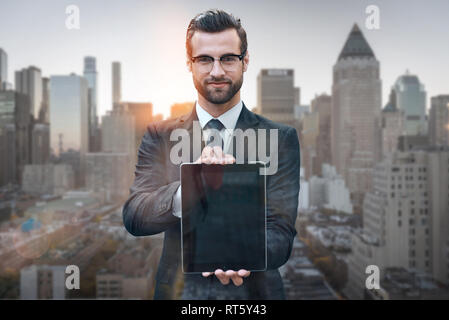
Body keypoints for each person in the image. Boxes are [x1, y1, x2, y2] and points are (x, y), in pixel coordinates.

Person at [122, 9, 300, 300]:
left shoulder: (281, 139)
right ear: (189, 64)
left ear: (245, 61)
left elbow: (281, 231)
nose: (217, 71)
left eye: (228, 58)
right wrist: (190, 188)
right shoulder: (159, 135)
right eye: (205, 59)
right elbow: (135, 216)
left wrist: (242, 254)